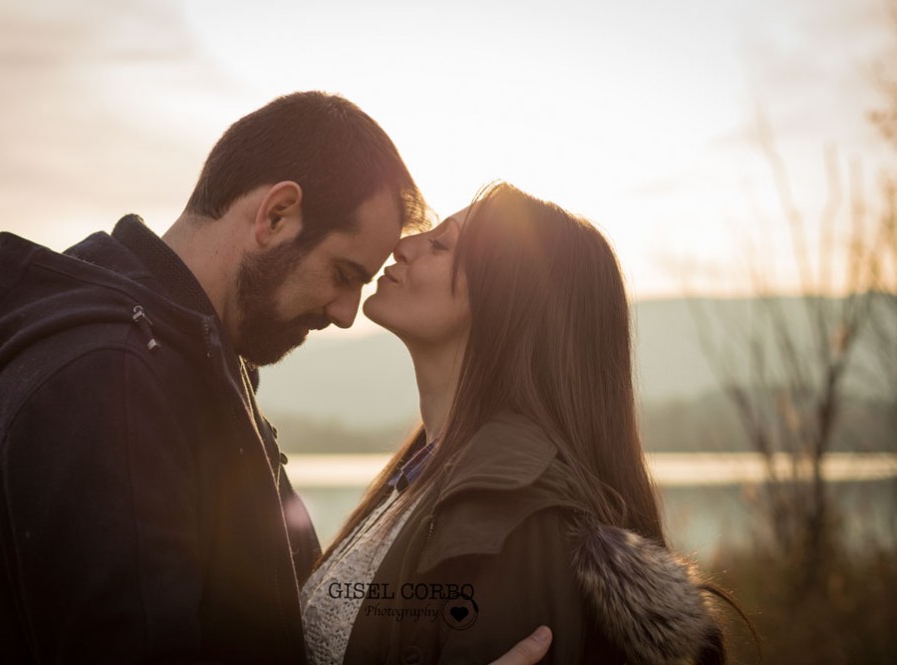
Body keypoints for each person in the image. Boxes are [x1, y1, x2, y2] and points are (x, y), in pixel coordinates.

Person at [0, 93, 551, 664]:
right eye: (344, 272)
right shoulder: (112, 381)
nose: (346, 313)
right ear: (277, 214)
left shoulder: (183, 361)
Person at [300, 182, 735, 664]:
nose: (402, 245)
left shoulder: (517, 520)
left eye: (441, 244)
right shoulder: (426, 477)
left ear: (503, 302)